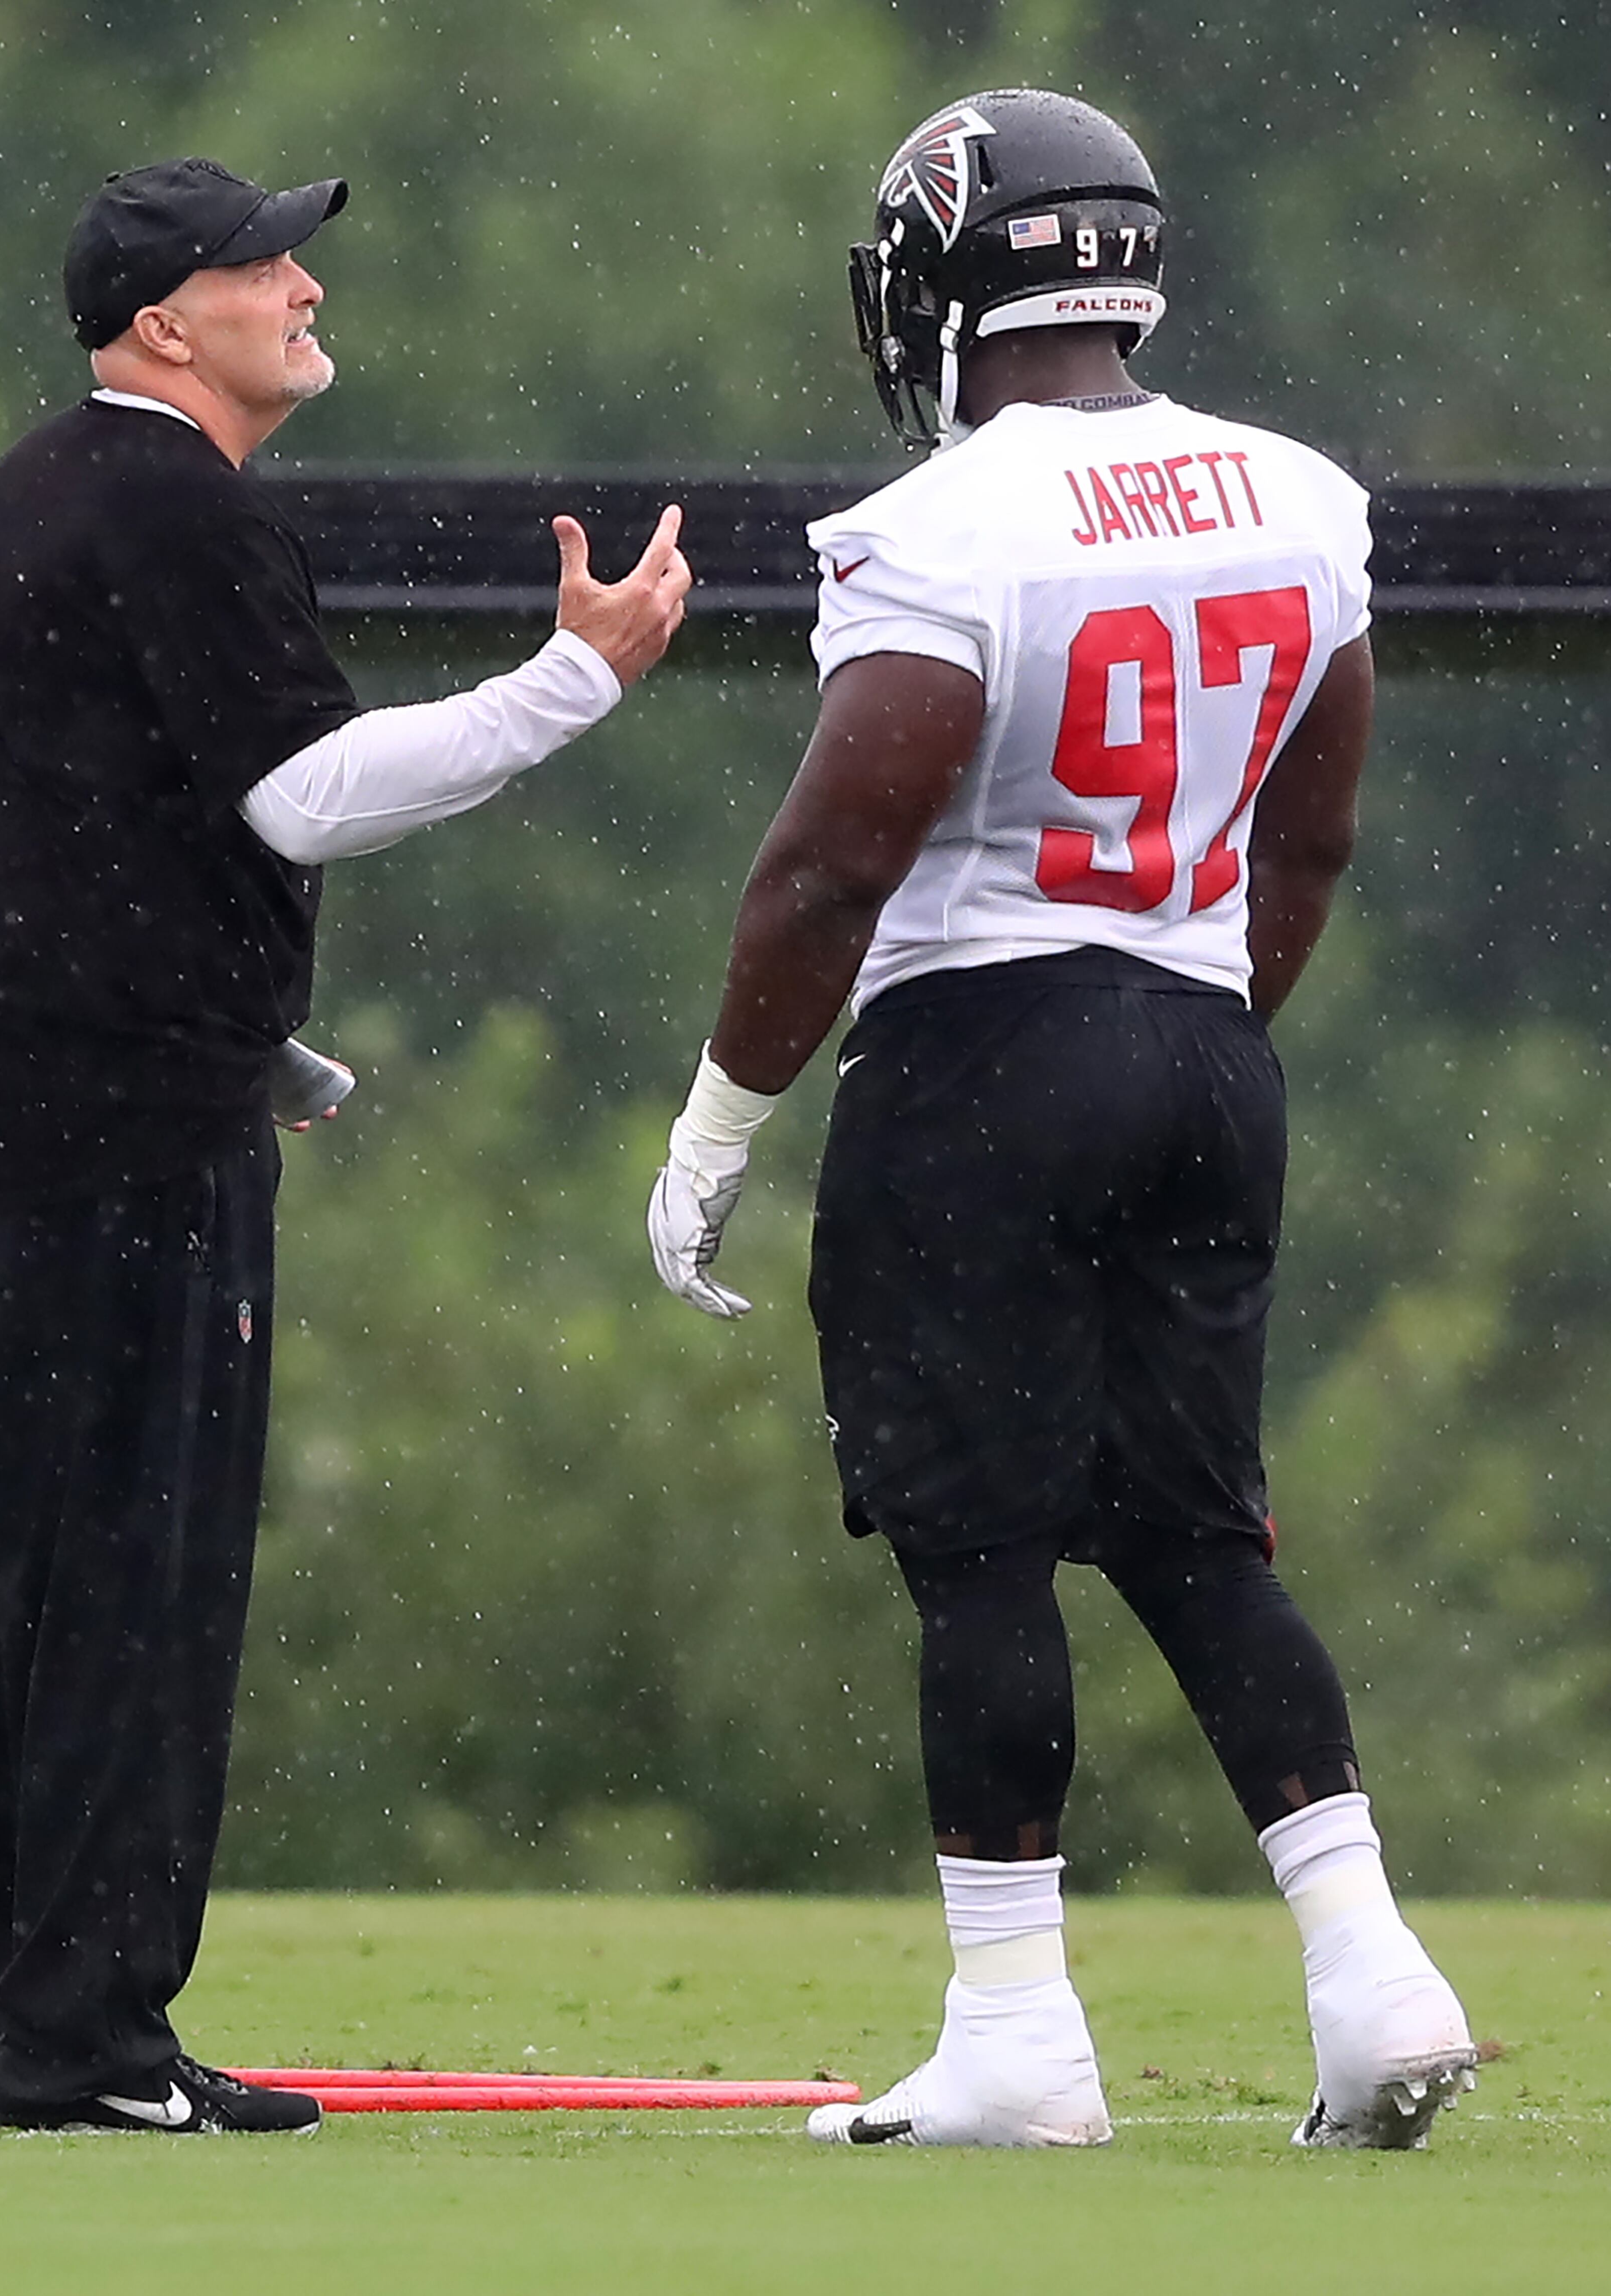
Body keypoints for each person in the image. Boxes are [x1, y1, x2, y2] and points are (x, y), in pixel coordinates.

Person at [646, 90, 1474, 2151]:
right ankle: (1375, 1977)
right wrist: (1180, 1023)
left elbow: (836, 860)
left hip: (987, 1059)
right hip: (1207, 1047)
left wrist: (718, 1122)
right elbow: (1318, 830)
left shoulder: (941, 528)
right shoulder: (1297, 493)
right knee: (1202, 1535)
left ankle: (1018, 2029)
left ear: (948, 272)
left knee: (984, 1553)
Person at [0, 155, 689, 2135]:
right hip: (117, 1134)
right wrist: (574, 681)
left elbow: (66, 851)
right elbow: (308, 798)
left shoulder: (26, 494)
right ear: (169, 320)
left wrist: (263, 1038)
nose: (303, 286)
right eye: (263, 265)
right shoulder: (174, 505)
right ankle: (85, 2044)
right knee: (134, 1577)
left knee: (24, 1580)